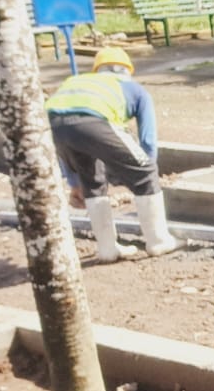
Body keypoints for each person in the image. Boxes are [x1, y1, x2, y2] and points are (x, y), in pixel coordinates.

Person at [46, 46, 178, 263]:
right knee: (145, 171)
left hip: (52, 124)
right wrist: (147, 172)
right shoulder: (135, 89)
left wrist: (74, 183)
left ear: (97, 69)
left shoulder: (76, 81)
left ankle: (107, 249)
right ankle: (159, 241)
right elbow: (147, 140)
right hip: (94, 120)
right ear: (128, 70)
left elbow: (68, 127)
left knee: (91, 180)